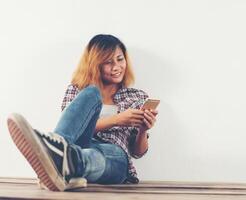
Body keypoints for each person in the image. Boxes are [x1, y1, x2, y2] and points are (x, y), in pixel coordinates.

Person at [7, 34, 158, 191]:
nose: (116, 67)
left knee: (97, 154)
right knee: (92, 92)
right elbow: (72, 129)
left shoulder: (136, 96)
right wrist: (116, 120)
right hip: (77, 144)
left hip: (114, 155)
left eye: (120, 59)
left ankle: (59, 162)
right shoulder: (78, 90)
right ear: (95, 64)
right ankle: (60, 157)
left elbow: (137, 152)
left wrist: (143, 129)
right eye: (108, 62)